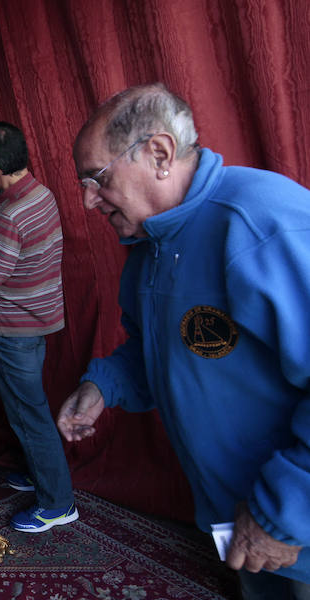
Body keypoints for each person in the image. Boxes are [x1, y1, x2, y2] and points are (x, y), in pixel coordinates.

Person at [57, 82, 310, 599]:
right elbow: (160, 350)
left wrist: (283, 514)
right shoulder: (148, 247)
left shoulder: (262, 222)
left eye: (96, 178)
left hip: (291, 527)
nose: (86, 200)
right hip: (241, 521)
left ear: (159, 154)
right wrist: (104, 385)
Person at [0, 121, 75, 533]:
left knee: (30, 416)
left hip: (11, 331)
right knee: (30, 410)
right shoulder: (40, 195)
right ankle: (41, 474)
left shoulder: (9, 218)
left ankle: (58, 503)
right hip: (35, 322)